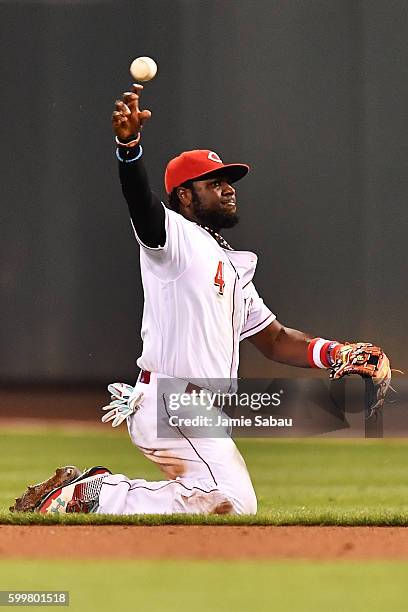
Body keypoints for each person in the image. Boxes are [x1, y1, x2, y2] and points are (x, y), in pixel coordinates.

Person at [11, 85, 391, 516]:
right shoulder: (173, 240)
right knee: (230, 500)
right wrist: (129, 147)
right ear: (184, 196)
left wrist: (336, 352)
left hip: (199, 408)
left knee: (217, 498)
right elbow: (141, 205)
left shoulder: (229, 265)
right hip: (171, 403)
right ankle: (94, 496)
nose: (227, 189)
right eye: (214, 183)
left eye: (228, 182)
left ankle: (96, 493)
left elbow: (275, 339)